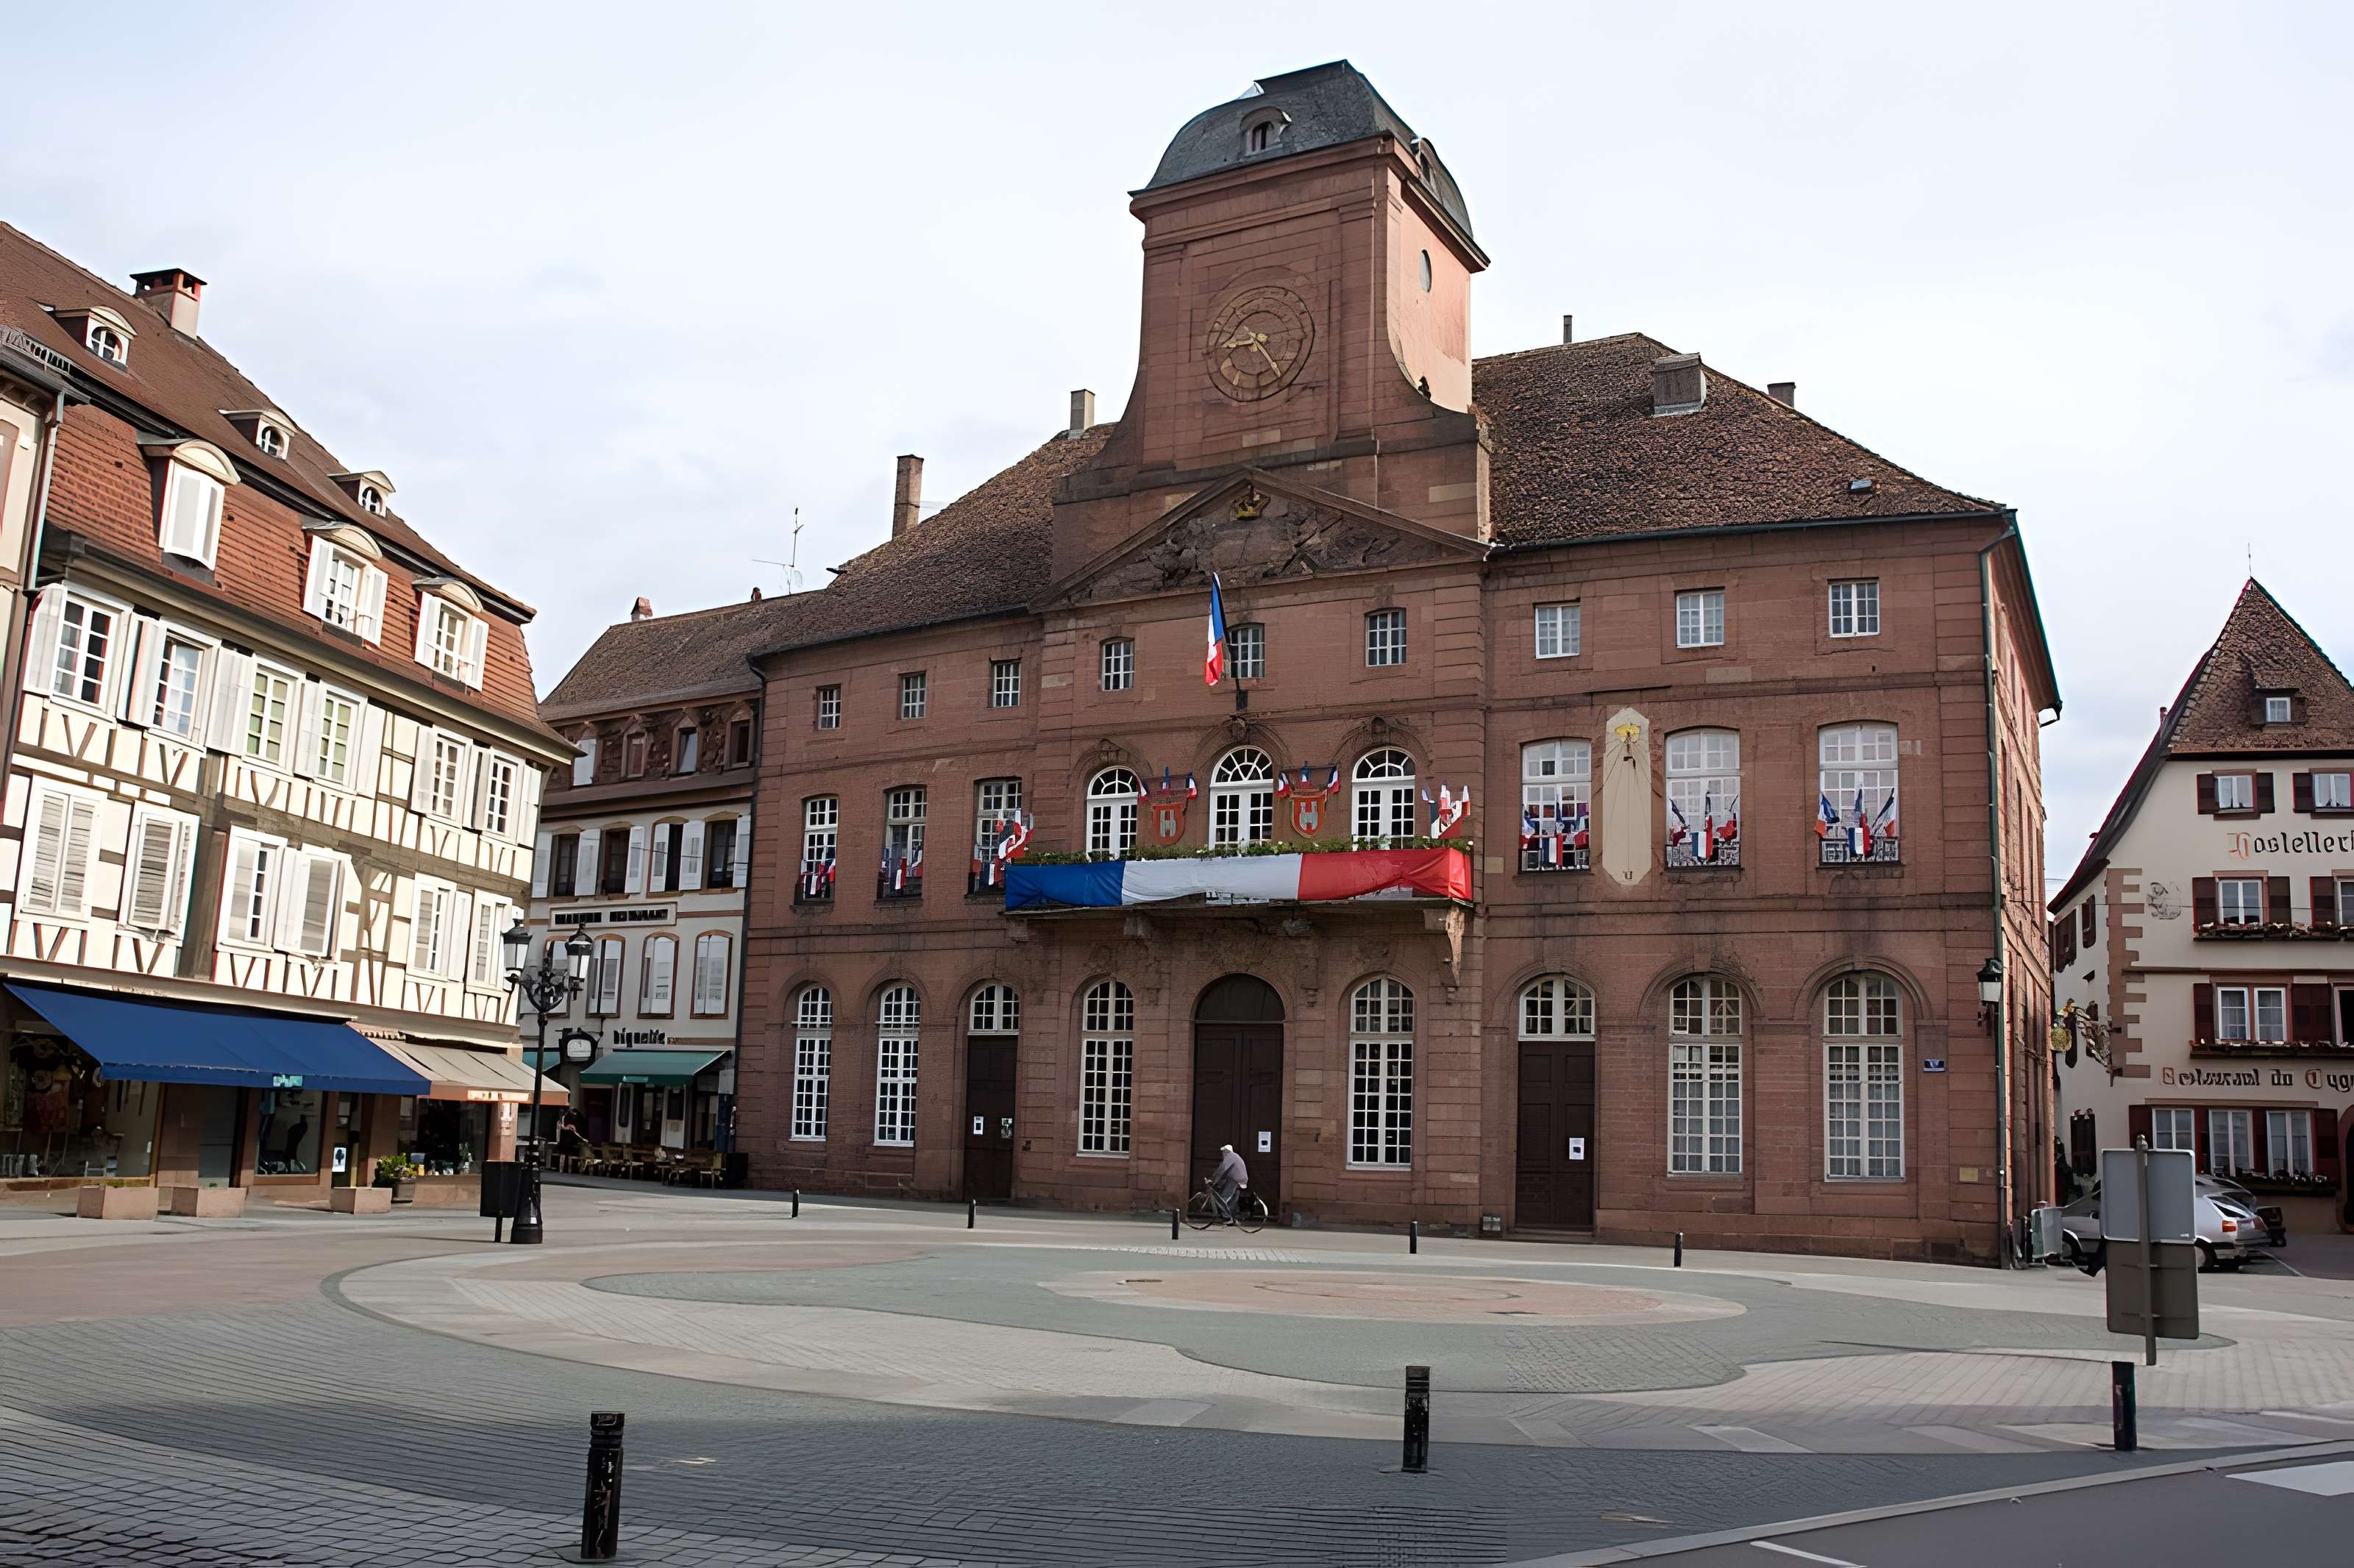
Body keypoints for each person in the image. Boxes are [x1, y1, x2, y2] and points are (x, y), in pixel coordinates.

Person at [1210, 1142, 1249, 1222]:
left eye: (1223, 1153)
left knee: (1223, 1198)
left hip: (1235, 1179)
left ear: (1226, 1152)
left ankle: (1227, 1217)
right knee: (1232, 1200)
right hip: (1241, 1180)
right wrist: (1220, 1179)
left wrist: (1213, 1180)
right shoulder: (1235, 1157)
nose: (1222, 1155)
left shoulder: (1230, 1156)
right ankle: (1233, 1217)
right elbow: (1226, 1172)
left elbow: (1222, 1169)